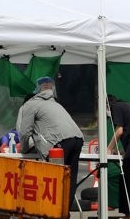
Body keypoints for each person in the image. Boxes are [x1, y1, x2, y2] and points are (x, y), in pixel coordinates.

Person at [17, 77, 84, 210]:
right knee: (69, 179)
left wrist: (24, 149)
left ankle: (54, 213)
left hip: (59, 142)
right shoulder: (56, 104)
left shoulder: (31, 104)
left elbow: (25, 132)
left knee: (54, 179)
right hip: (77, 139)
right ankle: (65, 216)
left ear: (37, 89)